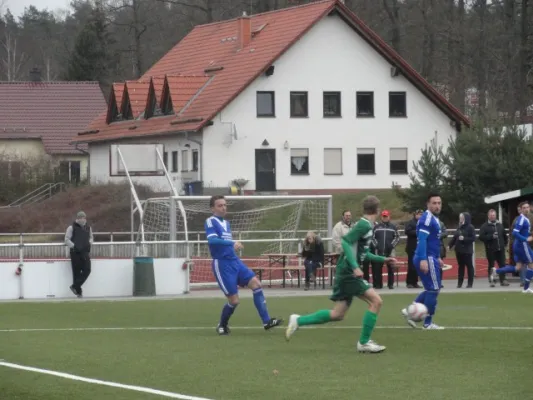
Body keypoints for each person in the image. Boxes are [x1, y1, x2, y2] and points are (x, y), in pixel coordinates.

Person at [285, 195, 397, 353]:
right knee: (376, 302)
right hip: (348, 273)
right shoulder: (364, 225)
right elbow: (345, 242)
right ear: (377, 210)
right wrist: (355, 267)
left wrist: (383, 259)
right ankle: (364, 342)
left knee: (338, 314)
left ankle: (298, 320)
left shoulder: (366, 226)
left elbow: (363, 253)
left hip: (346, 271)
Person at [205, 195, 283, 335]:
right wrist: (231, 243)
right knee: (234, 301)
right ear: (212, 208)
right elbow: (212, 241)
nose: (223, 207)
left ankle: (266, 321)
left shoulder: (226, 223)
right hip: (222, 265)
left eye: (225, 205)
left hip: (235, 261)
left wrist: (232, 248)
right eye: (220, 205)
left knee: (256, 284)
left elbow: (224, 242)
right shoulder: (210, 221)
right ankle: (222, 325)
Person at [401, 193, 444, 330]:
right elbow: (422, 240)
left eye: (439, 203)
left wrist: (437, 257)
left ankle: (410, 310)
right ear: (428, 204)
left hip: (431, 257)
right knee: (434, 289)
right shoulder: (427, 219)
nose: (437, 205)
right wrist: (424, 259)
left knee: (432, 289)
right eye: (434, 203)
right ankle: (428, 323)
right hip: (426, 257)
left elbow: (433, 241)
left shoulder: (433, 219)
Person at [492, 201, 533, 294]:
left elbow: (521, 232)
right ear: (521, 210)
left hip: (518, 245)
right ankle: (526, 288)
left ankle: (496, 271)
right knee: (531, 265)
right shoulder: (522, 219)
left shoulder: (524, 219)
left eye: (527, 207)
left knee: (518, 267)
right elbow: (514, 233)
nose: (527, 209)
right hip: (522, 245)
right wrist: (525, 239)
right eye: (524, 208)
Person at [64, 211, 93, 298]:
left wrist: (89, 243)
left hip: (85, 252)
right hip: (75, 252)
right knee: (76, 272)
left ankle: (75, 286)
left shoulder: (88, 228)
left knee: (87, 269)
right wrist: (74, 246)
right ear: (77, 218)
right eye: (81, 218)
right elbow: (66, 239)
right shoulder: (71, 227)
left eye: (84, 218)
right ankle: (78, 292)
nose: (83, 220)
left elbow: (91, 237)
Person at [479, 209, 509, 287]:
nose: (492, 217)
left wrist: (505, 243)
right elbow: (481, 237)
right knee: (491, 265)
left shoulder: (500, 225)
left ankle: (503, 280)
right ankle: (492, 280)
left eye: (494, 215)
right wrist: (491, 237)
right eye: (491, 215)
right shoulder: (484, 226)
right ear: (488, 216)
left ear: (496, 216)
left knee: (502, 264)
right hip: (490, 249)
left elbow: (504, 235)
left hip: (500, 249)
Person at [371, 210, 400, 289]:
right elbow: (372, 237)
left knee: (391, 268)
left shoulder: (393, 227)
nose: (385, 218)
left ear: (389, 217)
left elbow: (397, 237)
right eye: (383, 216)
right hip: (379, 251)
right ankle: (378, 285)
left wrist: (392, 245)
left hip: (390, 251)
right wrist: (376, 245)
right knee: (377, 269)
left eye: (386, 216)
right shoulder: (376, 227)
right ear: (381, 217)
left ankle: (390, 284)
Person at [448, 212, 476, 288]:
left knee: (469, 266)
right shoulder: (459, 227)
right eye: (460, 217)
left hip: (467, 250)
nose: (460, 218)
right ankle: (459, 283)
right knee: (461, 267)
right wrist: (450, 245)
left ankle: (470, 283)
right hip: (459, 250)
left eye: (462, 217)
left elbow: (473, 238)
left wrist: (464, 239)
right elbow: (455, 237)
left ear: (465, 218)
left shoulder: (470, 227)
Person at [404, 210, 423, 288]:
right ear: (415, 214)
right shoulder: (411, 222)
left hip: (419, 247)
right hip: (412, 246)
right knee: (411, 265)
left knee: (417, 265)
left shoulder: (423, 223)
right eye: (419, 214)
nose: (420, 216)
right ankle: (409, 282)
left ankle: (415, 282)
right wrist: (417, 232)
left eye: (422, 214)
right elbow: (407, 231)